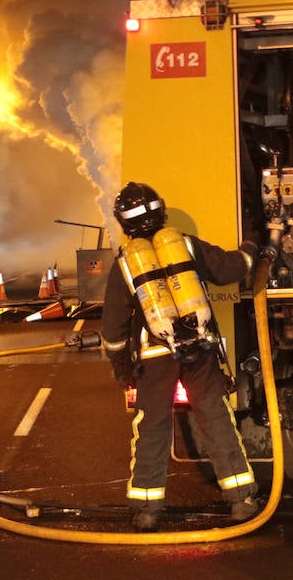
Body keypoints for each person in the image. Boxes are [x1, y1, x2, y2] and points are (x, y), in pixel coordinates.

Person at [101, 182, 260, 532]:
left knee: (152, 427)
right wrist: (252, 246)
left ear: (124, 223)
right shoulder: (184, 244)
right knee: (215, 417)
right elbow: (231, 269)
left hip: (155, 355)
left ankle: (146, 510)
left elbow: (112, 328)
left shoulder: (125, 265)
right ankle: (241, 501)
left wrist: (121, 367)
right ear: (161, 211)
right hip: (198, 347)